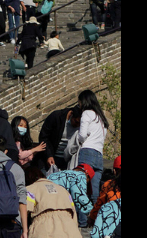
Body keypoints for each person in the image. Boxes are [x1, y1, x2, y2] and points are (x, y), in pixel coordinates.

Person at [21, 165, 85, 238]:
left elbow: (24, 210)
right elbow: (73, 214)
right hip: (68, 234)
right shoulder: (63, 190)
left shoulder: (30, 189)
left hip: (43, 234)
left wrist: (24, 231)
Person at [70, 89, 108, 222]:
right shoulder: (101, 117)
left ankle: (82, 221)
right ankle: (95, 219)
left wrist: (79, 141)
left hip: (87, 153)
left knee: (82, 188)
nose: (79, 105)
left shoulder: (87, 113)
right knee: (95, 191)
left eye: (79, 102)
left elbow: (82, 135)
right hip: (99, 155)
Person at [46, 164, 94, 229]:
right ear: (87, 175)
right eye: (87, 182)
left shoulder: (56, 174)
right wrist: (93, 213)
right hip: (57, 210)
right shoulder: (80, 175)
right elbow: (79, 195)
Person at [38, 106, 80, 172]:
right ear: (71, 114)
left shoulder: (82, 126)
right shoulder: (56, 117)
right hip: (53, 158)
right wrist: (49, 155)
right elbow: (44, 137)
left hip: (69, 160)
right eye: (76, 122)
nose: (77, 125)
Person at [85, 155, 120, 228]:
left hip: (112, 223)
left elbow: (99, 204)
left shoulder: (109, 184)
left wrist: (92, 218)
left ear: (114, 170)